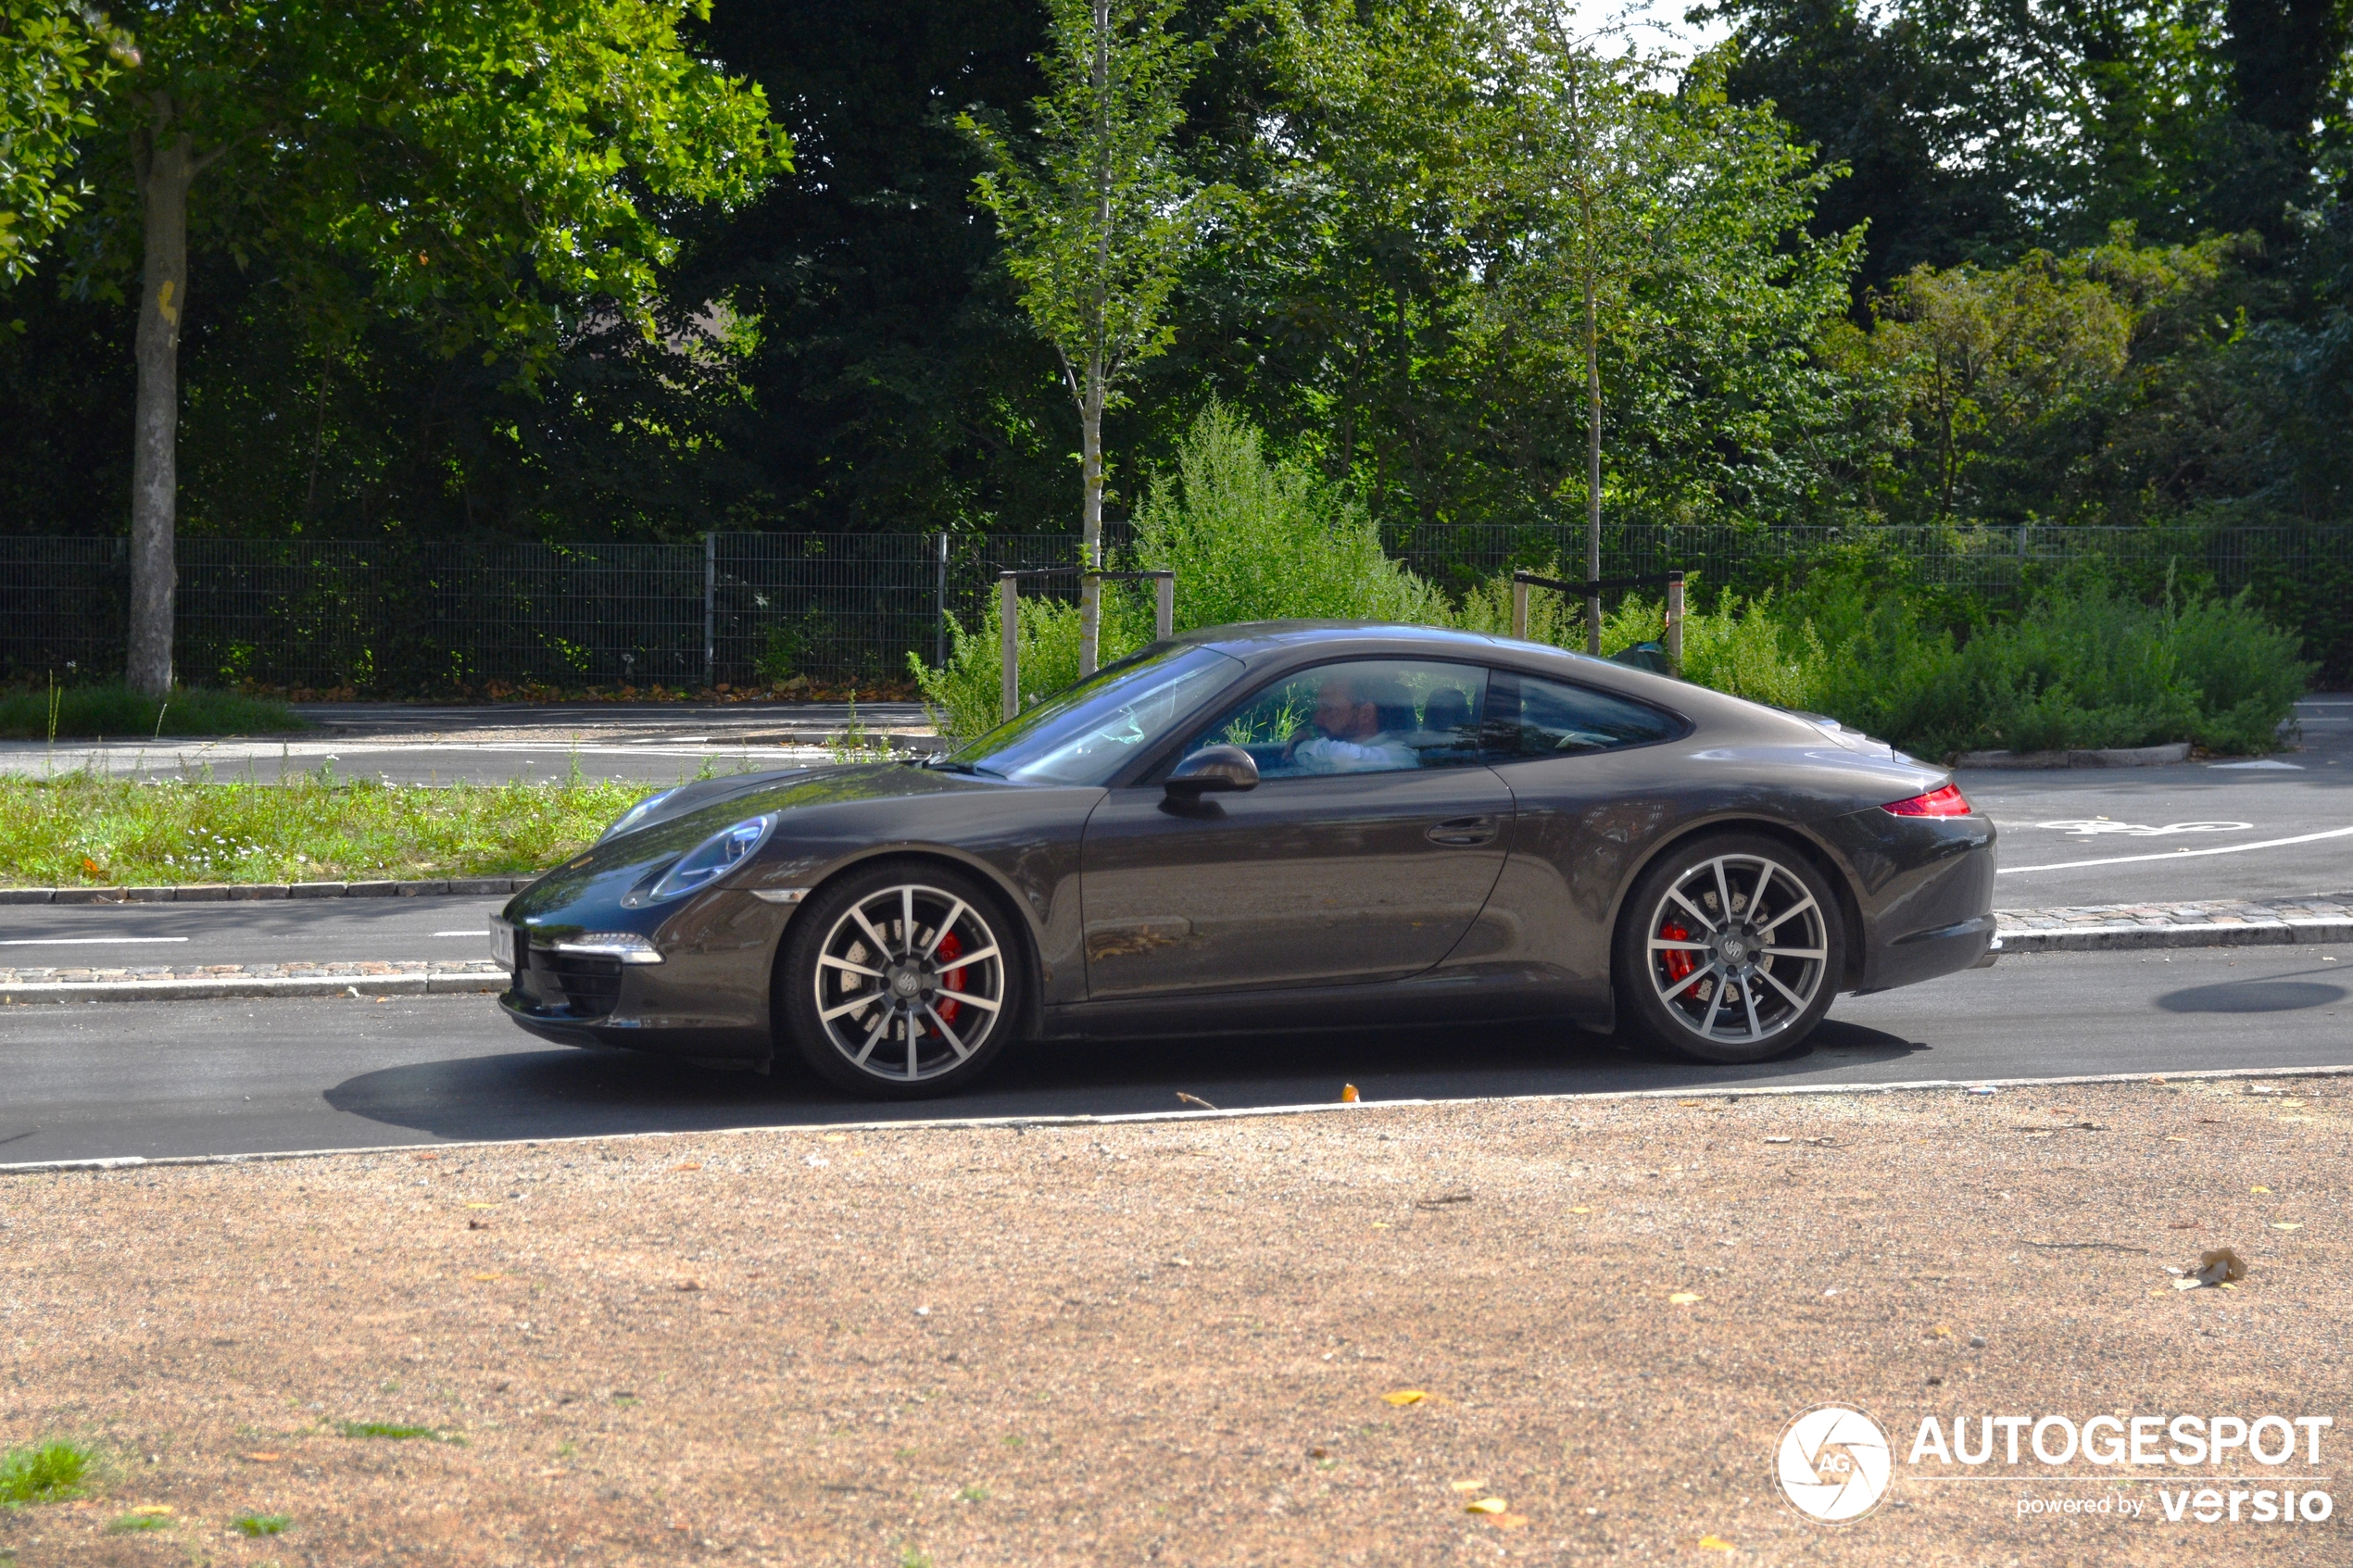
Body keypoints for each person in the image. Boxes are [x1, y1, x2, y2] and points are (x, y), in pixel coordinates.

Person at [1286, 669, 1417, 773]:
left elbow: (1343, 757)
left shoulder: (1399, 757)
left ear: (1366, 714)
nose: (1317, 719)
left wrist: (1298, 745)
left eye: (1329, 709)